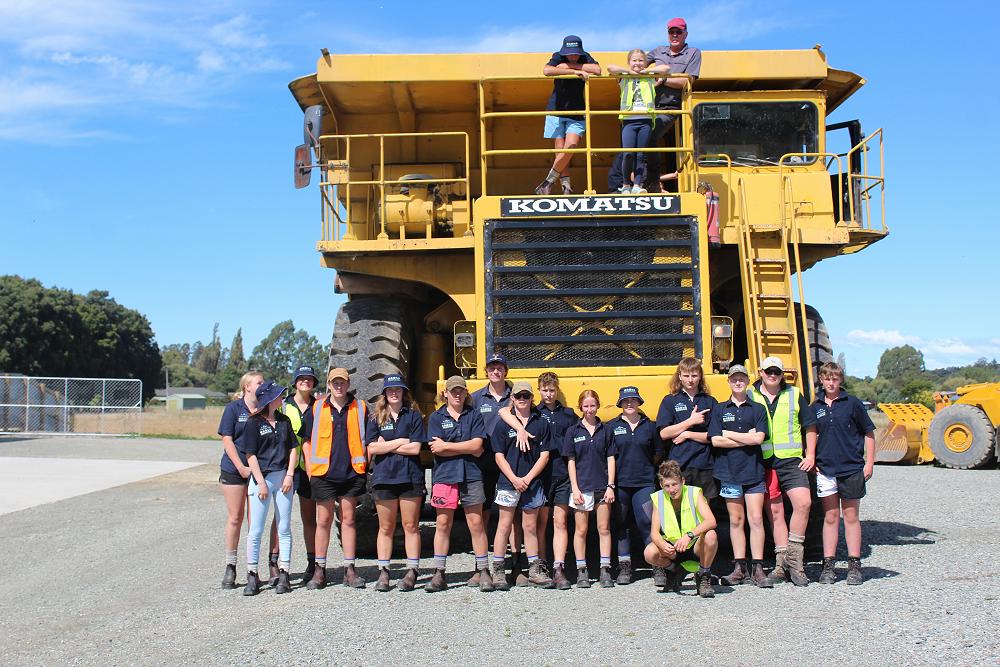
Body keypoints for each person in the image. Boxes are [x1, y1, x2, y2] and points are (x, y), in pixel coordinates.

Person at [499, 372, 578, 589]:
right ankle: (540, 565)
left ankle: (558, 568)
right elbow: (504, 411)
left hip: (561, 474)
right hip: (540, 476)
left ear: (557, 390)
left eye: (552, 390)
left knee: (560, 522)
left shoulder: (569, 415)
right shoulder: (534, 414)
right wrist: (520, 429)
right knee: (538, 525)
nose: (549, 394)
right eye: (545, 390)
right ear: (538, 392)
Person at [748, 356, 817, 587]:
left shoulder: (794, 394)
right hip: (764, 460)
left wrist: (810, 456)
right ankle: (780, 566)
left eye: (777, 371)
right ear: (760, 372)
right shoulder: (750, 394)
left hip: (791, 461)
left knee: (803, 503)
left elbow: (810, 426)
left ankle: (794, 562)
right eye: (769, 371)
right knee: (775, 514)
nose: (772, 375)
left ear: (782, 373)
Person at [299, 368, 370, 590]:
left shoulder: (360, 408)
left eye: (342, 382)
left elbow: (369, 439)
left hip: (351, 473)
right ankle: (320, 570)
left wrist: (364, 464)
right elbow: (307, 441)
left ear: (348, 384)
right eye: (334, 382)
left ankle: (350, 570)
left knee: (348, 520)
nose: (338, 386)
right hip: (324, 475)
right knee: (323, 521)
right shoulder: (317, 407)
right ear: (329, 385)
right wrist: (310, 469)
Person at [426, 376, 493, 593]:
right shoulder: (436, 417)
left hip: (471, 475)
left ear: (466, 393)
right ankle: (438, 573)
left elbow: (477, 446)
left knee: (476, 524)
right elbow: (436, 449)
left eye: (460, 391)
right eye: (452, 391)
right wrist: (464, 447)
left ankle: (483, 571)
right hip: (445, 477)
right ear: (445, 393)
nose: (456, 394)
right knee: (443, 524)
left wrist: (448, 445)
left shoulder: (474, 416)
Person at [812, 362, 876, 585]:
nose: (831, 383)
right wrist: (812, 459)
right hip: (826, 469)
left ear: (841, 380)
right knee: (830, 517)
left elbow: (869, 433)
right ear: (821, 379)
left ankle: (854, 565)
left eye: (835, 379)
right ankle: (828, 565)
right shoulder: (816, 406)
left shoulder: (853, 404)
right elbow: (811, 435)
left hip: (851, 468)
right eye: (827, 378)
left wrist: (869, 463)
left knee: (850, 517)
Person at [708, 365, 771, 588]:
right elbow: (715, 440)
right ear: (728, 381)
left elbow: (759, 439)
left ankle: (758, 568)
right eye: (734, 379)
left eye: (742, 378)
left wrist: (730, 434)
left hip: (753, 471)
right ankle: (739, 568)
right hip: (729, 472)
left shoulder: (757, 408)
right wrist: (746, 436)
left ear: (748, 380)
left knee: (755, 519)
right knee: (736, 521)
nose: (738, 382)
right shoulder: (719, 409)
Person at [490, 381, 554, 589]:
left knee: (530, 527)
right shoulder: (503, 424)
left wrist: (527, 479)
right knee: (504, 526)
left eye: (526, 396)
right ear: (513, 399)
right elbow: (499, 457)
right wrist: (515, 479)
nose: (522, 400)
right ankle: (498, 571)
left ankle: (534, 570)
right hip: (508, 482)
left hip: (532, 483)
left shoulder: (541, 423)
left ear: (531, 398)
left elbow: (545, 456)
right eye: (519, 396)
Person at [366, 374, 426, 592]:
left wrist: (388, 444)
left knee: (411, 525)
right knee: (386, 527)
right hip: (384, 478)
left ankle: (412, 571)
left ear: (403, 392)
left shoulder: (414, 416)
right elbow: (372, 448)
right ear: (384, 393)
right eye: (390, 390)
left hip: (410, 478)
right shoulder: (376, 418)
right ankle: (384, 572)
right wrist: (402, 441)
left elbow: (416, 448)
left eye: (398, 389)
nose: (394, 393)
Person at [240, 381, 298, 596]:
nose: (281, 398)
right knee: (256, 529)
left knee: (284, 527)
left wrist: (290, 475)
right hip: (261, 479)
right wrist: (260, 482)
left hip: (283, 478)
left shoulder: (284, 421)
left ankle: (284, 572)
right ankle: (252, 574)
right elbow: (250, 454)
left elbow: (293, 448)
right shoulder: (253, 423)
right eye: (278, 395)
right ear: (267, 399)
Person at [471, 353, 521, 585]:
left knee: (511, 514)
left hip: (510, 461)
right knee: (481, 512)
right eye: (492, 368)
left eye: (499, 367)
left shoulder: (517, 396)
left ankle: (515, 566)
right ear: (487, 372)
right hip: (483, 461)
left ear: (505, 371)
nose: (496, 372)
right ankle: (480, 567)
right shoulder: (476, 399)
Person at [607, 386, 661, 585]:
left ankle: (657, 564)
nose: (629, 403)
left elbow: (657, 453)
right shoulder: (612, 426)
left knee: (648, 523)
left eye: (633, 400)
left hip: (644, 483)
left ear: (639, 402)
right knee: (621, 524)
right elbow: (609, 455)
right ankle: (625, 567)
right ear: (620, 404)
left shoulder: (650, 426)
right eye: (625, 401)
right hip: (620, 484)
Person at [563, 389, 617, 587]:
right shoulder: (573, 431)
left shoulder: (606, 430)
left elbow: (611, 458)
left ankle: (605, 569)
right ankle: (581, 570)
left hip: (603, 487)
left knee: (604, 528)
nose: (589, 409)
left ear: (598, 406)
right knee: (581, 530)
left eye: (592, 405)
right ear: (580, 407)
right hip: (582, 487)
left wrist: (611, 486)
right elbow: (571, 461)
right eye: (585, 406)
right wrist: (574, 489)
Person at [535, 35, 601, 196]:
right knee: (560, 150)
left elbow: (598, 70)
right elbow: (546, 70)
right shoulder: (557, 56)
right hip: (555, 110)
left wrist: (570, 66)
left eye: (576, 53)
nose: (573, 56)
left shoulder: (586, 57)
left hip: (577, 112)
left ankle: (547, 182)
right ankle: (566, 187)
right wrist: (576, 70)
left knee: (570, 146)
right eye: (570, 54)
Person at [643, 460, 718, 597]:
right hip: (674, 548)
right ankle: (673, 570)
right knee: (649, 552)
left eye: (674, 484)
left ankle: (704, 576)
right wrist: (662, 544)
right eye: (667, 486)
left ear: (682, 481)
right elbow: (654, 532)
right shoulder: (658, 498)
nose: (671, 489)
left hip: (695, 545)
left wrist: (689, 535)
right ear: (661, 485)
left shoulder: (694, 493)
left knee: (711, 535)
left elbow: (711, 521)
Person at [217, 370, 263, 589]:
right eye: (259, 382)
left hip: (258, 471)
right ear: (247, 387)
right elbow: (227, 440)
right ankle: (230, 565)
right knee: (236, 517)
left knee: (254, 523)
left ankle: (252, 568)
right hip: (234, 470)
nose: (262, 386)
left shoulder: (265, 408)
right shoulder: (233, 409)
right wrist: (241, 468)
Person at [646, 18, 702, 191]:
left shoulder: (693, 53)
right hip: (647, 106)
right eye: (672, 32)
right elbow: (638, 66)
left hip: (669, 108)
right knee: (631, 134)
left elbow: (687, 82)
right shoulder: (657, 51)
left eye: (678, 32)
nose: (675, 35)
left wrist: (662, 79)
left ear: (686, 34)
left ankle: (653, 182)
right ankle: (624, 182)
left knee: (650, 135)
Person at [607, 49, 668, 194]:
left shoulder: (649, 76)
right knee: (628, 153)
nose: (638, 63)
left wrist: (645, 72)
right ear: (629, 62)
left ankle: (637, 186)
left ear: (645, 63)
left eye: (641, 60)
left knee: (640, 154)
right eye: (634, 60)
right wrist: (631, 72)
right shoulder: (623, 76)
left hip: (645, 120)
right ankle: (626, 185)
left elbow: (666, 68)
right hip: (629, 121)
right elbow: (610, 68)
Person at [280, 365, 319, 584]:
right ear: (295, 382)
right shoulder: (284, 406)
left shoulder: (319, 406)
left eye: (309, 379)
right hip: (285, 468)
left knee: (309, 519)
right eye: (301, 378)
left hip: (309, 469)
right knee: (280, 518)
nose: (305, 382)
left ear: (314, 383)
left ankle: (311, 562)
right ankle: (275, 564)